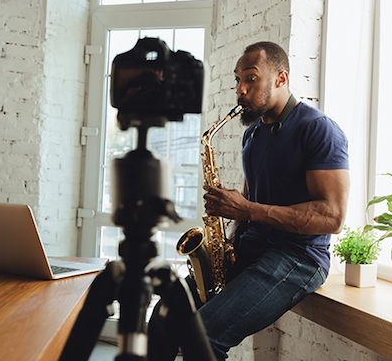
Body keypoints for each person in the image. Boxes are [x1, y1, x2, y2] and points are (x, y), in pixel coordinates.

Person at [148, 41, 350, 360]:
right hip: (252, 248)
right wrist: (220, 251)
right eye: (237, 80)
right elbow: (251, 198)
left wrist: (247, 209)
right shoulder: (252, 133)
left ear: (281, 79)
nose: (240, 90)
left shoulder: (318, 130)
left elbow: (333, 217)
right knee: (163, 315)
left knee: (204, 335)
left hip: (298, 256)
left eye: (251, 79)